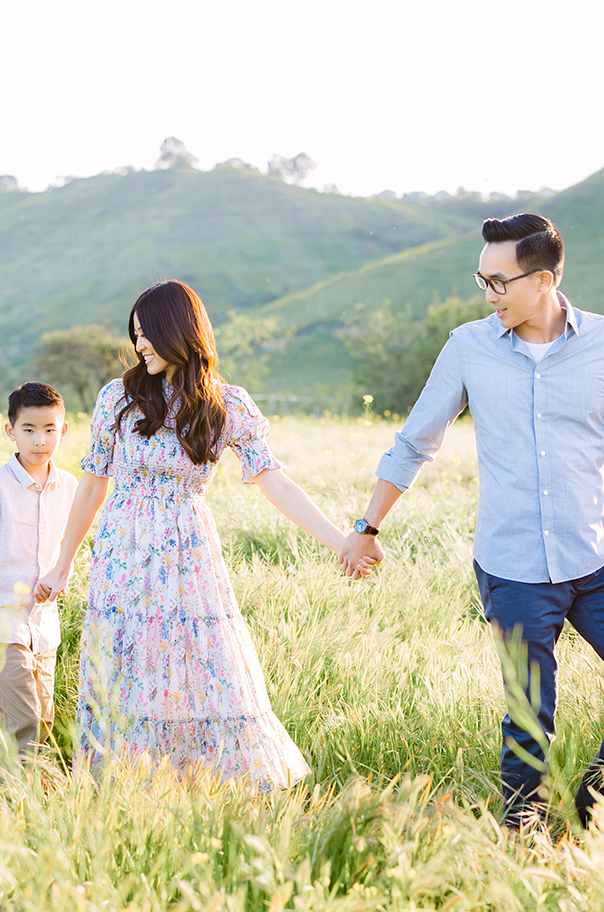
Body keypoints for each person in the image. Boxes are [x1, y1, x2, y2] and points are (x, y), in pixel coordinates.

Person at [337, 214, 604, 828]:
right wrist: (366, 528)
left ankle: (589, 818)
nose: (489, 295)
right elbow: (415, 442)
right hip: (513, 566)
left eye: (500, 282)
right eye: (483, 281)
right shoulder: (467, 347)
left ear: (545, 280)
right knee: (530, 722)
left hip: (598, 559)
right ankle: (523, 846)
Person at [34, 279, 373, 792]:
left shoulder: (227, 404)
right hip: (123, 553)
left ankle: (203, 785)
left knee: (200, 665)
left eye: (147, 333)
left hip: (187, 555)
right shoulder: (118, 397)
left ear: (178, 331)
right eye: (135, 334)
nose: (139, 345)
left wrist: (341, 540)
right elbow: (92, 487)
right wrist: (63, 563)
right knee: (127, 668)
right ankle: (127, 786)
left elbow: (275, 481)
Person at [0, 382, 79, 760]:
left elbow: (66, 551)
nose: (40, 440)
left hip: (43, 627)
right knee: (23, 722)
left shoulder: (70, 486)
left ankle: (31, 791)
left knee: (44, 720)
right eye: (29, 429)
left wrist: (60, 576)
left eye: (49, 429)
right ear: (11, 431)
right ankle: (14, 793)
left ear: (63, 430)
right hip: (0, 624)